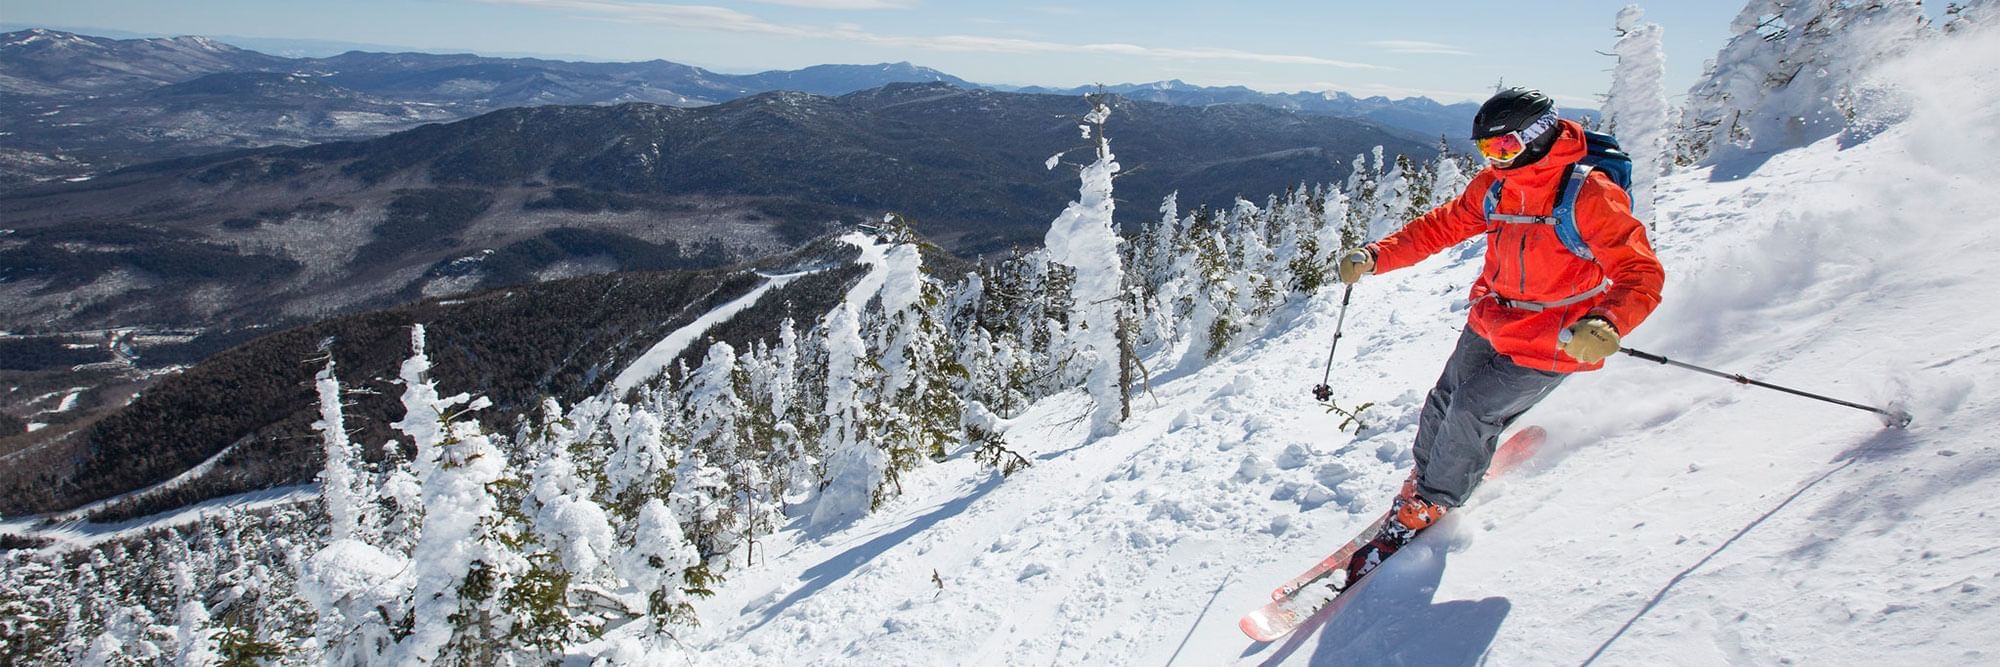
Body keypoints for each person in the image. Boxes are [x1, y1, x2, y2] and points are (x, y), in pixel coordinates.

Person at [1331, 87, 1666, 586]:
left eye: (1504, 149)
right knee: (1445, 400)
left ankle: (1435, 501)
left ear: (1536, 137)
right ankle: (1426, 482)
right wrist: (1377, 255)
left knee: (1472, 407)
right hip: (1494, 317)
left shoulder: (1589, 195)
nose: (1495, 161)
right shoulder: (1496, 187)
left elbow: (1640, 270)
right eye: (1487, 151)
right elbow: (1438, 228)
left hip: (1557, 335)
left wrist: (1608, 323)